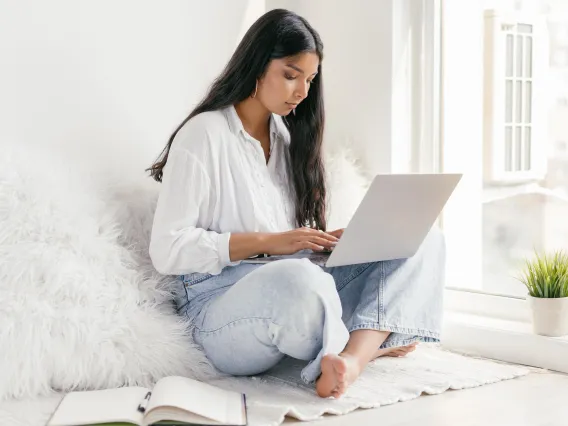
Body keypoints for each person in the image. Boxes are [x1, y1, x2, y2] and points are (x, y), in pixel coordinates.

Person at [147, 8, 446, 399]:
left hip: (297, 281)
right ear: (256, 66)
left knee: (421, 238)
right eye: (291, 75)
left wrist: (328, 242)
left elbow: (294, 252)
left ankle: (352, 361)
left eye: (309, 79)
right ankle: (375, 337)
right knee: (299, 281)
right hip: (218, 305)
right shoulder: (203, 135)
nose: (302, 91)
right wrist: (270, 242)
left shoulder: (287, 140)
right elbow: (167, 250)